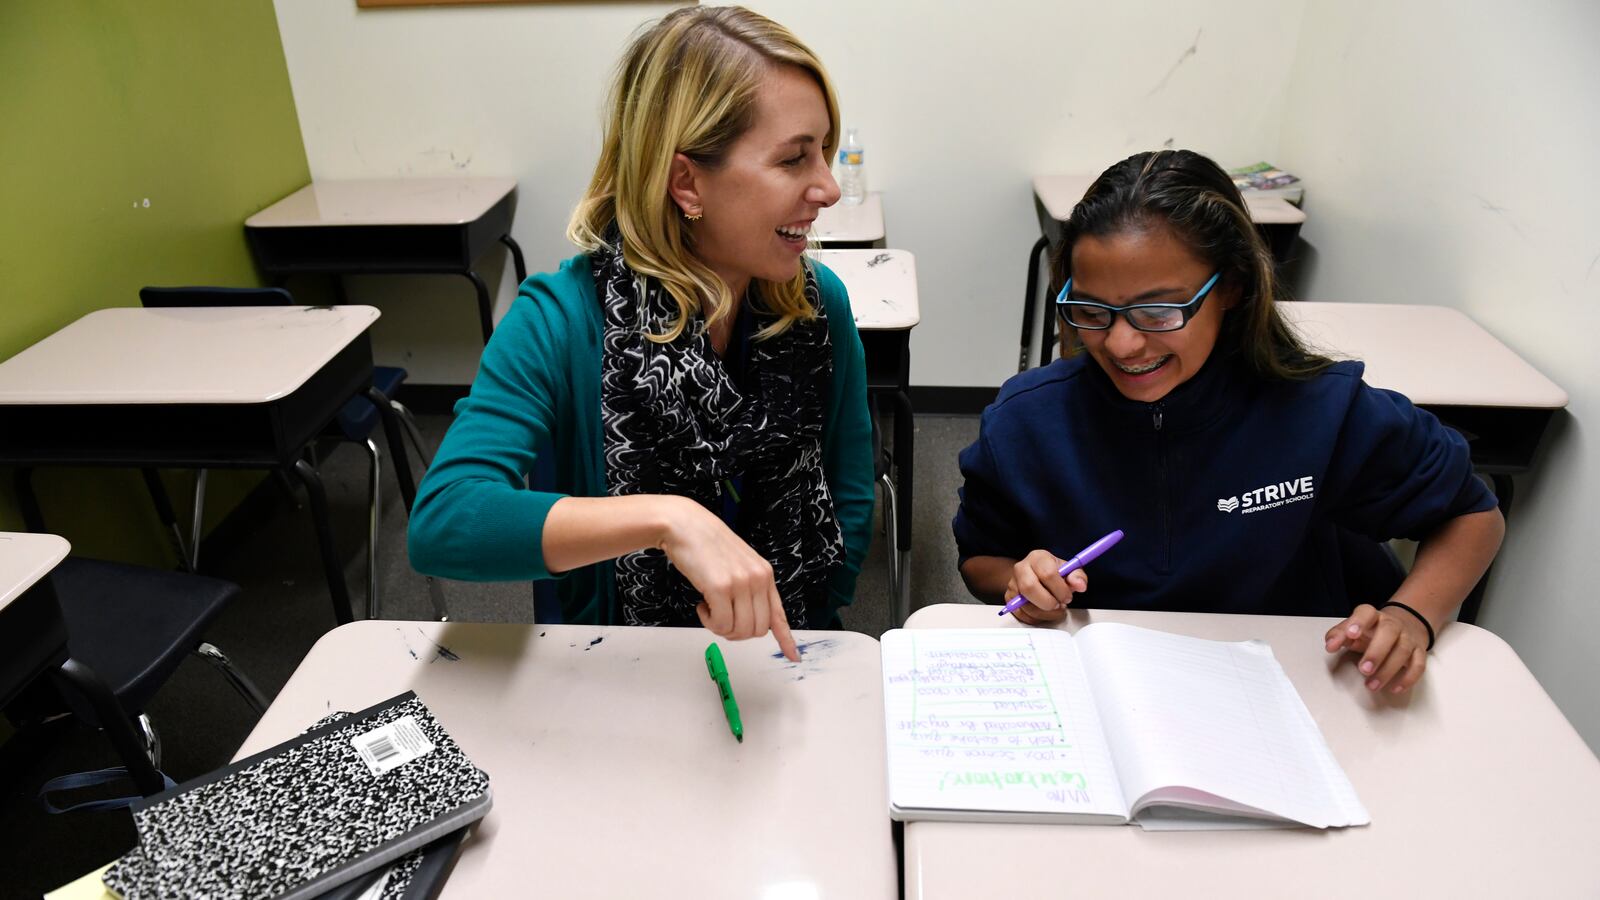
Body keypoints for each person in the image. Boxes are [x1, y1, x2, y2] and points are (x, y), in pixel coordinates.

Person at [408, 6, 874, 662]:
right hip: (619, 668)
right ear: (687, 181)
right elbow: (444, 521)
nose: (827, 187)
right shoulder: (560, 322)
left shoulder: (818, 304)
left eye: (823, 152)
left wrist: (817, 627)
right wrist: (668, 520)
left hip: (785, 656)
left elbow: (847, 494)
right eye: (795, 160)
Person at [953, 149, 1503, 695]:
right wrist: (1021, 579)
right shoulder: (1025, 421)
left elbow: (1472, 514)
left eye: (1159, 311)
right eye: (1092, 311)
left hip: (1293, 684)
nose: (1122, 343)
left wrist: (1412, 615)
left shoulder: (1320, 410)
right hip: (1109, 684)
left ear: (1233, 287)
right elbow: (980, 558)